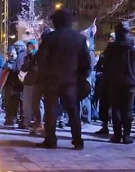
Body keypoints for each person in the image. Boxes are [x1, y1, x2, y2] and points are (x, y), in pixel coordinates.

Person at [36, 8, 91, 150]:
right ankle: (78, 140)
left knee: (51, 110)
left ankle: (51, 139)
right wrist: (80, 78)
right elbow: (86, 62)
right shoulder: (79, 38)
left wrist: (44, 75)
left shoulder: (50, 38)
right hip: (71, 81)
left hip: (51, 80)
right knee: (73, 111)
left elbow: (41, 59)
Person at [103, 21, 135, 144]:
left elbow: (106, 64)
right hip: (130, 81)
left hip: (115, 81)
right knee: (128, 109)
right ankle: (126, 135)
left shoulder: (112, 47)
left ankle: (117, 135)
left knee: (116, 108)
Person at [94, 33, 115, 134]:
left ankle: (116, 128)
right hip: (105, 81)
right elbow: (99, 65)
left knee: (114, 106)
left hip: (114, 82)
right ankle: (105, 126)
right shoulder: (105, 53)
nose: (109, 41)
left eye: (111, 39)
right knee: (104, 105)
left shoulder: (118, 52)